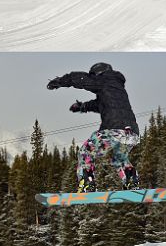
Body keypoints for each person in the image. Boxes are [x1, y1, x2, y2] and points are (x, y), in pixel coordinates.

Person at [47, 62, 141, 192]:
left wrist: (61, 81)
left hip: (113, 130)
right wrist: (82, 106)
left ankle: (87, 183)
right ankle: (131, 182)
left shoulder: (104, 79)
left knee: (86, 152)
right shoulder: (116, 88)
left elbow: (82, 79)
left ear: (97, 73)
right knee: (119, 159)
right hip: (131, 133)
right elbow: (100, 104)